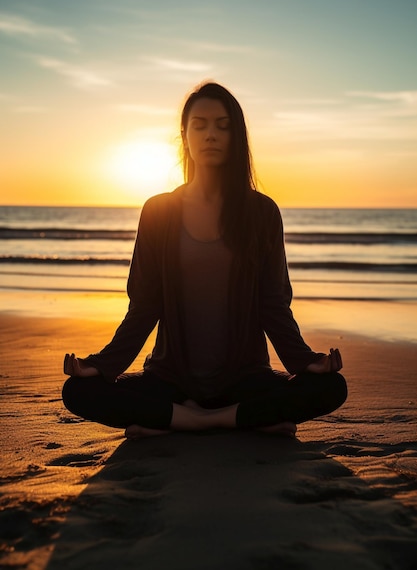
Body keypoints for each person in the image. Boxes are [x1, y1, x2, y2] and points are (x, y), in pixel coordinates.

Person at [62, 81, 347, 439]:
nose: (211, 134)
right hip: (171, 380)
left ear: (236, 136)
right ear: (185, 135)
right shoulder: (158, 211)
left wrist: (305, 361)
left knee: (332, 387)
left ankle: (183, 420)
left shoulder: (262, 213)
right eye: (200, 125)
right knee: (77, 391)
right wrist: (103, 365)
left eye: (222, 125)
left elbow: (273, 304)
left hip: (245, 379)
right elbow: (144, 306)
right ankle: (236, 419)